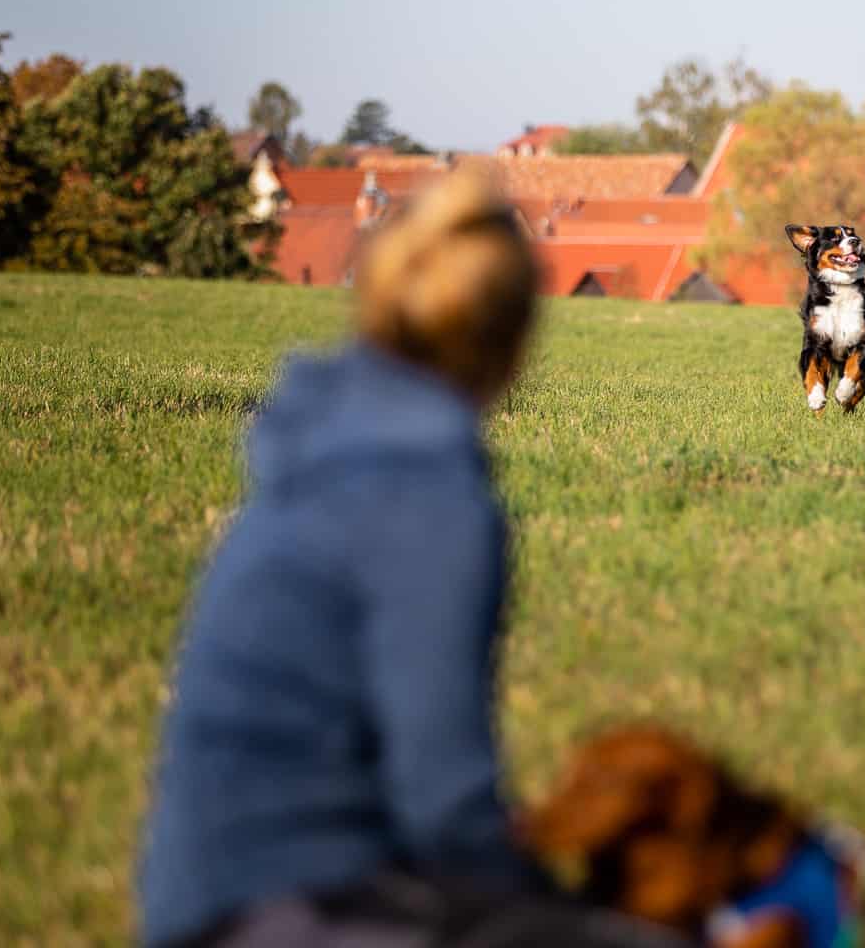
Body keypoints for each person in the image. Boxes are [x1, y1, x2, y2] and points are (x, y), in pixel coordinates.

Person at [138, 169, 693, 948]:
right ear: (513, 340)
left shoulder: (324, 440)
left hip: (203, 898)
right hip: (295, 911)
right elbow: (443, 803)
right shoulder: (426, 494)